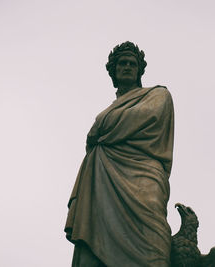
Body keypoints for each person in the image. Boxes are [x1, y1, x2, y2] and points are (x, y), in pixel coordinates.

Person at [65, 41, 175, 267]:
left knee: (153, 231)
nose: (127, 67)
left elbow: (147, 116)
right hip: (104, 176)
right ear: (113, 71)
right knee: (96, 237)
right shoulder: (109, 111)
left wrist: (101, 126)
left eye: (132, 63)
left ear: (139, 69)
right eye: (122, 63)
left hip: (145, 172)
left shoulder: (158, 95)